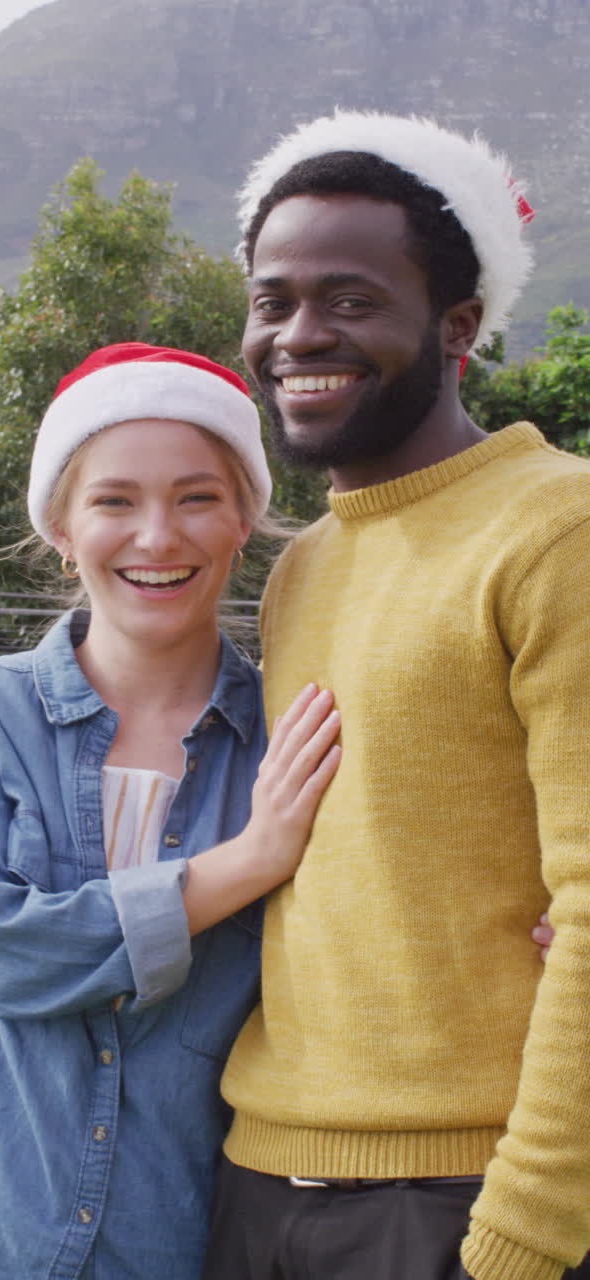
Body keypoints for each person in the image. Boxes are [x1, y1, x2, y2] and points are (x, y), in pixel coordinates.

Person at [197, 112, 590, 1280]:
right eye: (274, 300)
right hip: (257, 1179)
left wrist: (527, 1226)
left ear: (460, 326)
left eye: (352, 299)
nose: (299, 334)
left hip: (460, 1201)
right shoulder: (303, 563)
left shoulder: (556, 529)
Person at [0, 342, 342, 1280]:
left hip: (168, 1239)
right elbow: (0, 954)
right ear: (59, 523)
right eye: (114, 500)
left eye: (198, 496)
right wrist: (250, 860)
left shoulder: (296, 740)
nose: (158, 536)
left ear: (245, 516)